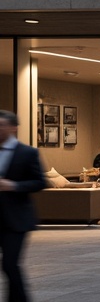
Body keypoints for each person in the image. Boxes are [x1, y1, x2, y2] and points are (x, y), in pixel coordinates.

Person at [1, 109, 47, 302]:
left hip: (16, 219)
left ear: (13, 128)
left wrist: (14, 186)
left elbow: (40, 182)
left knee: (10, 264)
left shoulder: (27, 153)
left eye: (1, 125)